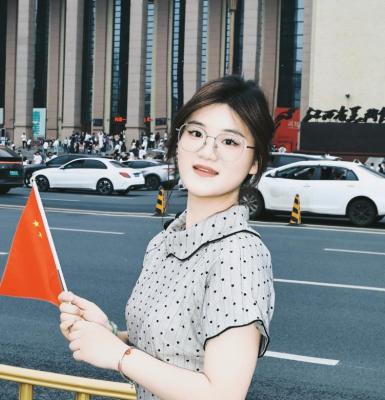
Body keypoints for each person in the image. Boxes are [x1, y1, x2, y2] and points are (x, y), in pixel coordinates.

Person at [58, 75, 275, 400]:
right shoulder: (162, 243)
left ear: (255, 162)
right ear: (179, 140)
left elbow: (223, 395)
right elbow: (170, 351)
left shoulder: (239, 252)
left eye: (230, 142)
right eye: (196, 133)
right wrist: (109, 333)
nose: (207, 151)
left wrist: (119, 355)